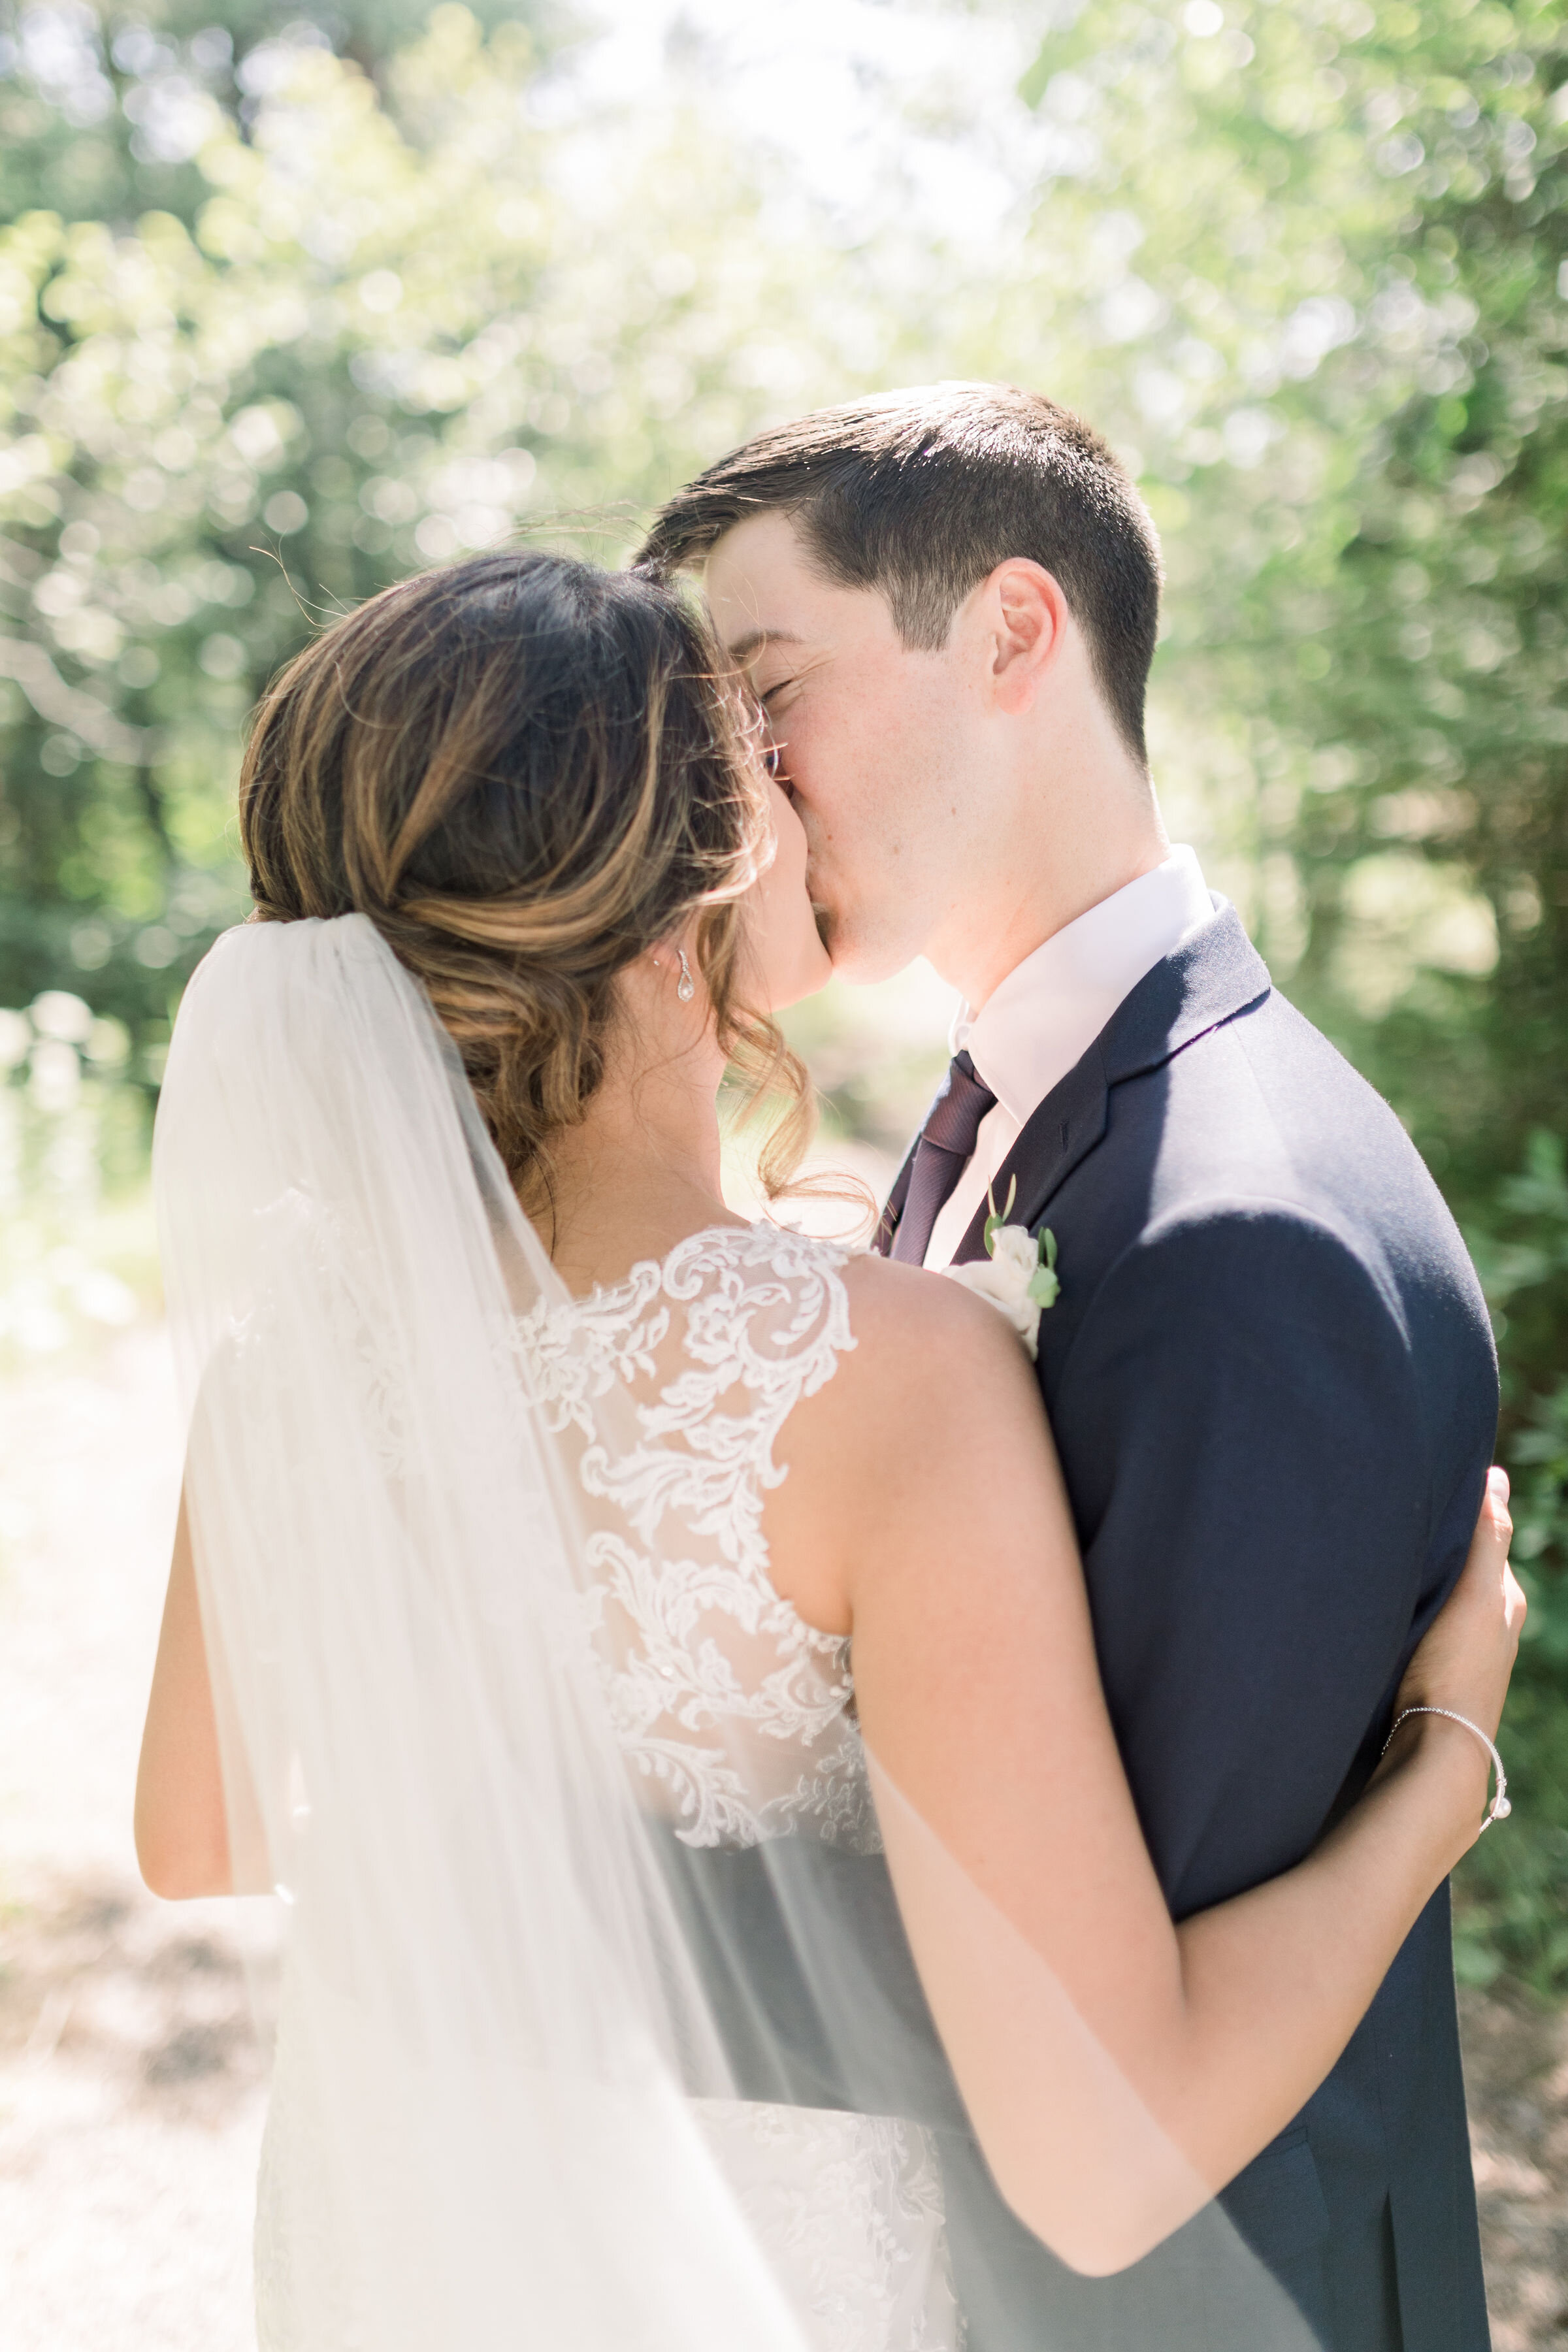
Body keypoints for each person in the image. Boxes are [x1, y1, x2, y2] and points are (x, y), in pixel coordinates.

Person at [135, 548, 1520, 2352]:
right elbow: (1107, 2161)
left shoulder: (294, 1356)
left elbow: (202, 1835)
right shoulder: (876, 1383)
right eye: (751, 759)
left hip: (403, 2237)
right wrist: (1436, 1783)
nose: (791, 797)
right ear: (668, 913)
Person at [636, 381, 1509, 2351]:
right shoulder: (1038, 1108)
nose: (743, 793)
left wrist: (536, 1905)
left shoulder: (1234, 1237)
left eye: (771, 697)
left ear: (1016, 632)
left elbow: (1113, 2068)